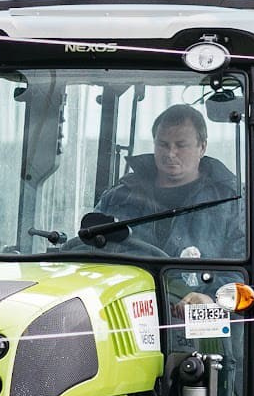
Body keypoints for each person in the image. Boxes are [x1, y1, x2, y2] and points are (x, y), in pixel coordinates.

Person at [94, 103, 245, 281]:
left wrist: (209, 297)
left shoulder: (232, 202)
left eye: (181, 145)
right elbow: (87, 250)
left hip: (198, 306)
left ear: (202, 147)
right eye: (163, 144)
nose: (171, 153)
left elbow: (243, 272)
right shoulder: (119, 198)